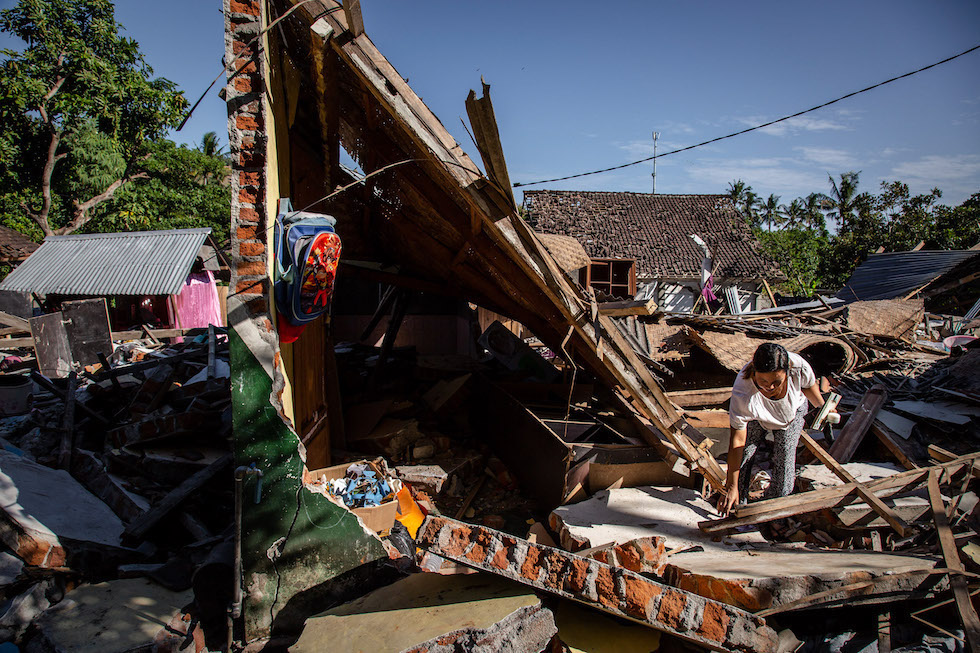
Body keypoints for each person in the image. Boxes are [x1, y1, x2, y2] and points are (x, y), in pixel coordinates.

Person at [717, 342, 833, 517]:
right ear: (754, 373)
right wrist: (731, 486)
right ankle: (738, 505)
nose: (769, 387)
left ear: (788, 371)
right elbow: (738, 441)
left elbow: (809, 387)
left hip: (791, 414)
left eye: (776, 381)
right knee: (745, 456)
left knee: (785, 462)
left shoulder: (799, 367)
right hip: (758, 416)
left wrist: (823, 408)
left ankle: (775, 512)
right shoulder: (743, 393)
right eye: (763, 381)